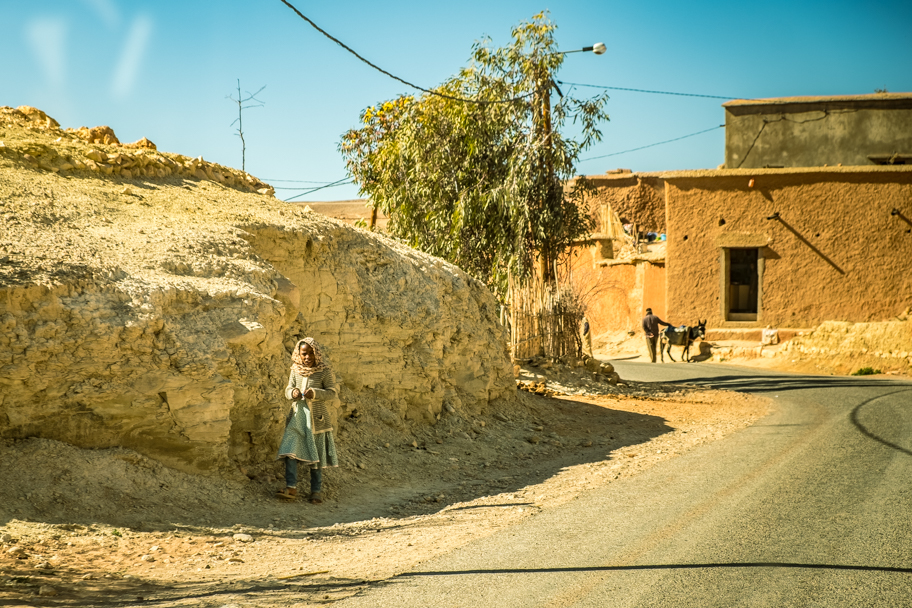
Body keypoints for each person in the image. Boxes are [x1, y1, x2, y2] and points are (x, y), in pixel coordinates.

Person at [276, 337, 339, 504]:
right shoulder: (295, 370)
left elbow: (332, 393)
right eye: (304, 353)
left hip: (317, 420)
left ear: (316, 353)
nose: (308, 357)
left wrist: (315, 393)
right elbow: (287, 390)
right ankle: (291, 487)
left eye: (311, 353)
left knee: (316, 455)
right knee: (290, 450)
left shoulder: (324, 371)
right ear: (299, 354)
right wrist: (293, 393)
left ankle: (316, 491)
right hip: (297, 418)